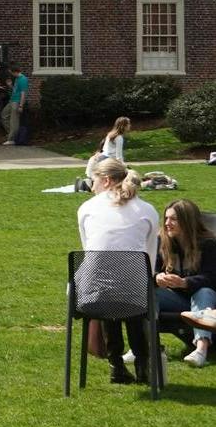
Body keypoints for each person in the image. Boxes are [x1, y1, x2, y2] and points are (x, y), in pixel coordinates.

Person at [76, 158, 160, 384]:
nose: (91, 187)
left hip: (91, 296)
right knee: (130, 292)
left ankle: (116, 365)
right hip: (134, 293)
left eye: (93, 181)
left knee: (108, 288)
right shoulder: (147, 210)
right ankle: (142, 362)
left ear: (105, 180)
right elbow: (150, 257)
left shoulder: (87, 208)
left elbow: (90, 252)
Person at [154, 198, 216, 368]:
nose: (167, 223)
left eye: (173, 219)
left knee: (204, 291)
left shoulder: (208, 244)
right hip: (177, 300)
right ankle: (146, 346)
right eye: (166, 218)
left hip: (206, 302)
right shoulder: (162, 241)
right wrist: (157, 278)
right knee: (149, 291)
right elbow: (150, 270)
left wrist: (184, 282)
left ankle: (201, 349)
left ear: (187, 221)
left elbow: (212, 278)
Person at [3, 65, 30, 146]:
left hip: (17, 102)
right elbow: (15, 90)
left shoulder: (23, 79)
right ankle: (13, 134)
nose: (11, 74)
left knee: (14, 121)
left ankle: (11, 139)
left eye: (11, 72)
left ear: (14, 71)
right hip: (12, 100)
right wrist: (10, 85)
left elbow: (23, 93)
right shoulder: (17, 79)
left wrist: (21, 105)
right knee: (4, 115)